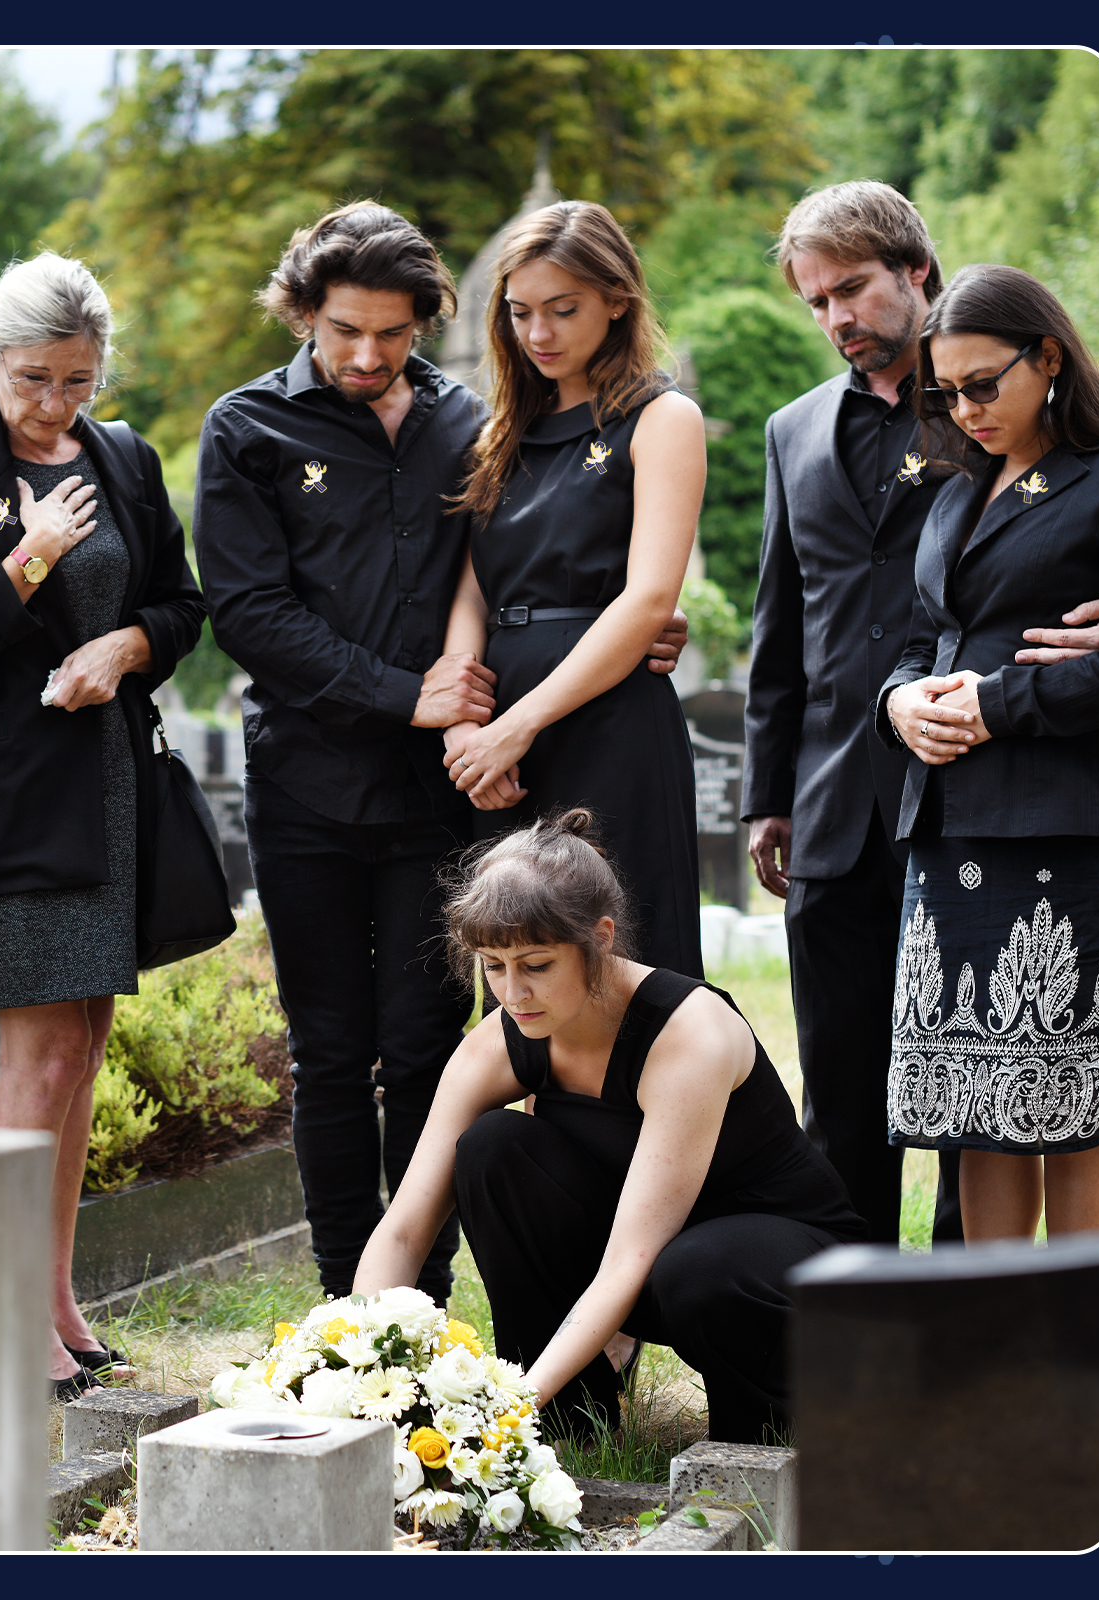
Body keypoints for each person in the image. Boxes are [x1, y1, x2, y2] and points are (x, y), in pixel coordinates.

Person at [196, 200, 697, 1307]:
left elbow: (540, 565)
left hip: (444, 800)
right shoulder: (246, 427)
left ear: (426, 321)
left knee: (435, 1044)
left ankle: (420, 1298)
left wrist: (617, 634)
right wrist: (419, 701)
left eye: (393, 333)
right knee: (330, 1052)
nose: (367, 356)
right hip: (312, 787)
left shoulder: (470, 420)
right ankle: (344, 1303)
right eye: (343, 331)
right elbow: (248, 613)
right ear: (302, 312)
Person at [742, 182, 1099, 1245]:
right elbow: (802, 623)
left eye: (851, 288)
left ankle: (1023, 1319)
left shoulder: (1064, 457)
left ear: (916, 273)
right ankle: (896, 1326)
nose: (836, 316)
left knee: (1028, 1112)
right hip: (872, 806)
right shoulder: (831, 444)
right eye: (816, 301)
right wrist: (793, 776)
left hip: (1034, 810)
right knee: (893, 1100)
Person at [0, 252, 206, 1397]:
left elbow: (181, 605)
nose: (53, 402)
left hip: (113, 789)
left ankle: (56, 1298)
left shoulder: (123, 457)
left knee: (83, 1049)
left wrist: (126, 646)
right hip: (15, 801)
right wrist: (32, 555)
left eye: (77, 380)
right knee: (42, 1054)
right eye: (32, 378)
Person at [353, 809, 865, 1446]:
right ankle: (567, 1428)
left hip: (776, 1274)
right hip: (656, 1264)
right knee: (492, 1149)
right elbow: (404, 1228)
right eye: (493, 965)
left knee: (697, 1269)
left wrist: (501, 1413)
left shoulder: (689, 1034)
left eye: (537, 965)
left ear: (599, 939)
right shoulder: (501, 1040)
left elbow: (629, 1261)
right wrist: (354, 1366)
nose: (513, 993)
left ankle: (772, 1434)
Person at [876, 264, 1099, 1242]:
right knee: (971, 1113)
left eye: (983, 385)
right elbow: (921, 641)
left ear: (1047, 356)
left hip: (1061, 829)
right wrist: (899, 705)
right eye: (945, 394)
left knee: (1076, 1114)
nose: (965, 411)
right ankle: (999, 1332)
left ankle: (1092, 1330)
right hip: (947, 831)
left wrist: (996, 705)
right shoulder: (956, 492)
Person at [441, 200, 706, 975]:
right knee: (519, 963)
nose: (540, 334)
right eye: (521, 312)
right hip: (501, 738)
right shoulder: (496, 433)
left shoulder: (662, 417)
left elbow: (650, 599)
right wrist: (467, 733)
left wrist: (517, 727)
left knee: (626, 961)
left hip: (610, 720)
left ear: (616, 300)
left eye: (564, 310)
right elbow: (472, 594)